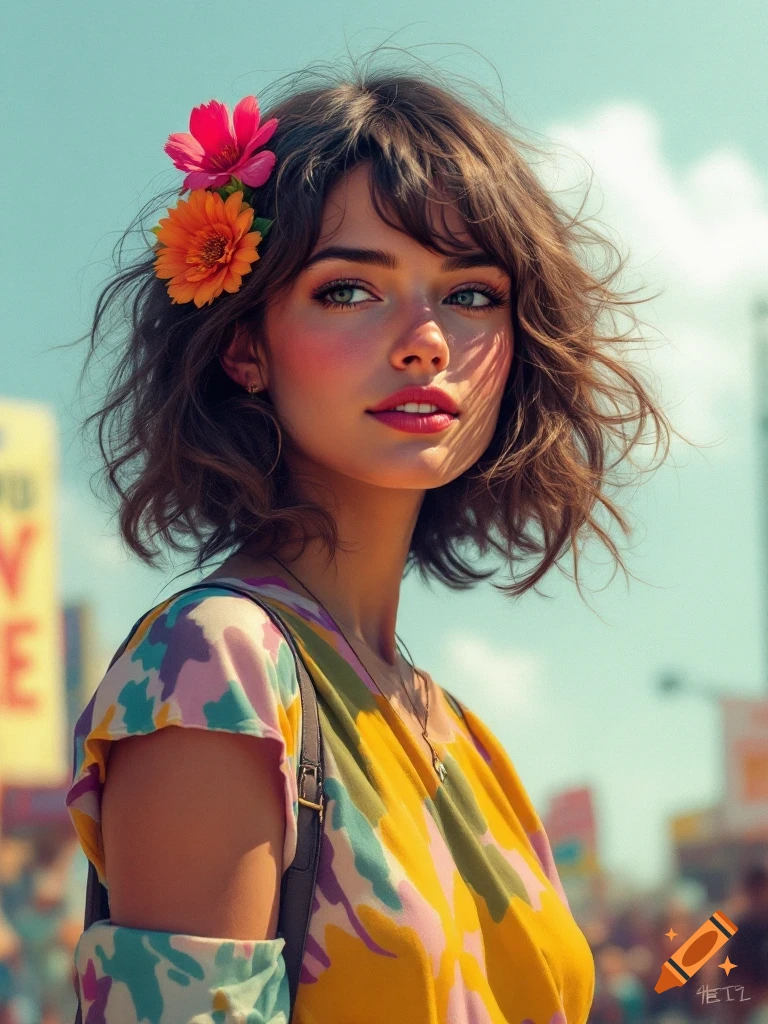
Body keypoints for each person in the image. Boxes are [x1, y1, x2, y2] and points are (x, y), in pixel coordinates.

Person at [62, 50, 684, 1023]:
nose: (427, 337)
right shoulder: (216, 666)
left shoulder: (463, 731)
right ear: (243, 343)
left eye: (471, 293)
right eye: (350, 288)